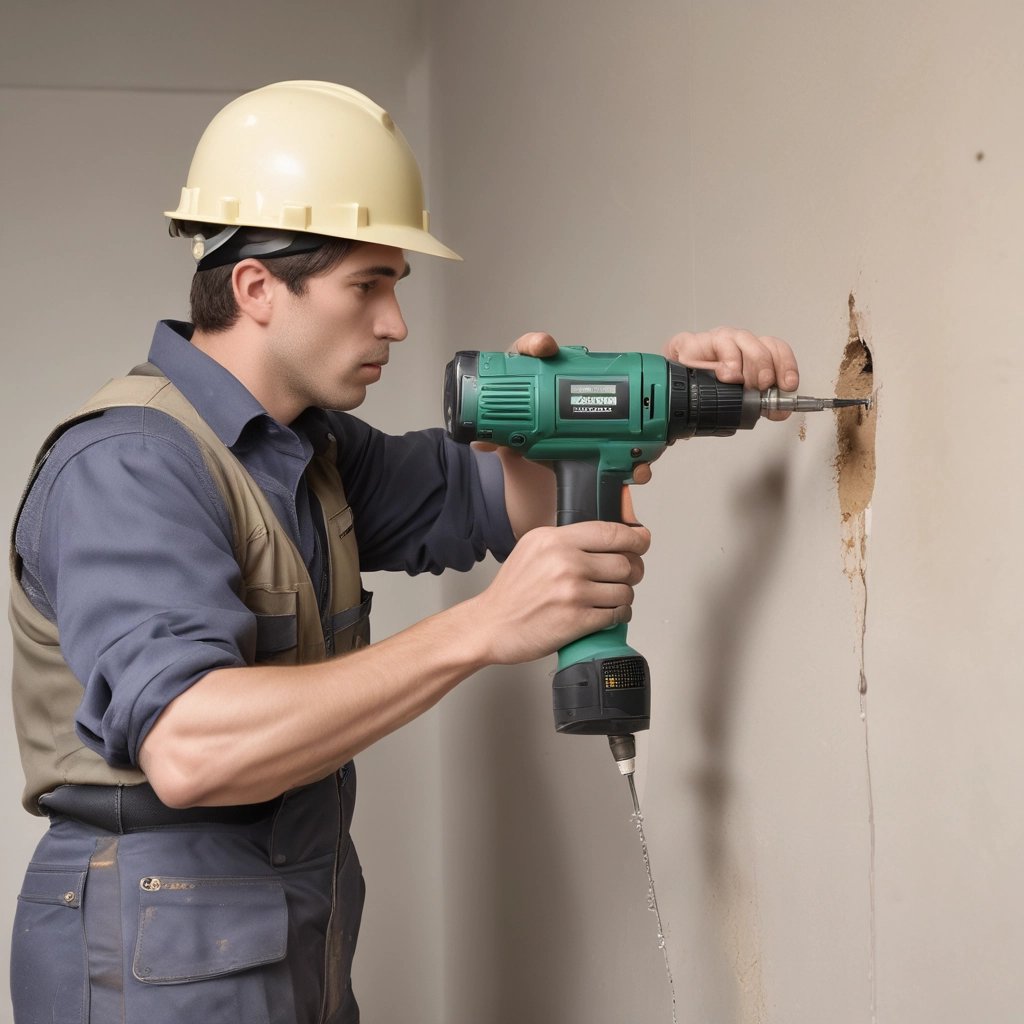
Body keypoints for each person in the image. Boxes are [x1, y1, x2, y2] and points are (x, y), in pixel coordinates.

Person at [8, 81, 800, 1023]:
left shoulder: (314, 448)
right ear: (258, 287)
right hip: (150, 941)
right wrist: (480, 631)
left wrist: (671, 398)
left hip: (289, 920)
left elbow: (506, 500)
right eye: (366, 285)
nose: (396, 323)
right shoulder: (131, 464)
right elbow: (191, 748)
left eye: (396, 286)